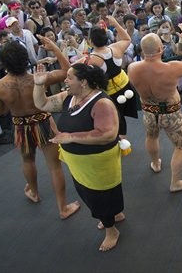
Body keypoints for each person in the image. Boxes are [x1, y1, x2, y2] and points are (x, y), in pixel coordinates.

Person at [32, 63, 124, 252]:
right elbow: (41, 104)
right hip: (78, 163)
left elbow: (107, 134)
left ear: (83, 81)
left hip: (97, 162)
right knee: (95, 193)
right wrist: (39, 85)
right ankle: (115, 214)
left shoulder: (101, 103)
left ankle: (111, 230)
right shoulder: (69, 97)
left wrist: (70, 137)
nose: (65, 81)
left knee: (100, 196)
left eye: (69, 77)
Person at [0, 37, 80, 219]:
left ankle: (34, 192)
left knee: (28, 161)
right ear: (25, 59)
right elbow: (66, 71)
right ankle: (63, 208)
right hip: (43, 122)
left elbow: (0, 112)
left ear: (3, 63)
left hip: (20, 126)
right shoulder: (38, 79)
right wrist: (54, 47)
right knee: (54, 166)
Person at [127, 24, 182, 192]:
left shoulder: (132, 68)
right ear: (161, 48)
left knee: (151, 136)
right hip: (170, 112)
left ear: (142, 51)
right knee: (180, 146)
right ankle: (175, 182)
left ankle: (155, 163)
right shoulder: (171, 68)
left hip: (149, 111)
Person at [86, 15, 138, 139]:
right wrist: (115, 24)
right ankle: (122, 140)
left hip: (110, 93)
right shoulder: (116, 47)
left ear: (90, 41)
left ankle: (118, 141)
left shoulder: (92, 59)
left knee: (115, 117)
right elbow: (127, 38)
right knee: (120, 117)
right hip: (125, 87)